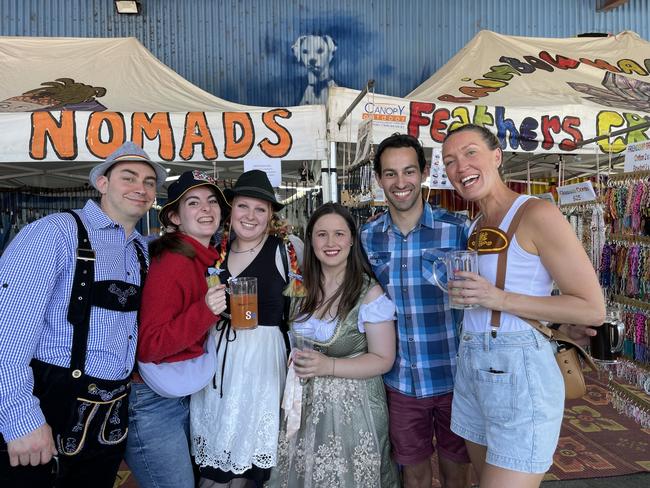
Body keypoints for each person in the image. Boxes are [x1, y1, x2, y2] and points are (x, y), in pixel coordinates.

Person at [441, 124, 605, 488]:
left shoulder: (537, 214)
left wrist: (496, 298)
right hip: (472, 364)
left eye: (470, 153)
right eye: (449, 161)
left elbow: (592, 308)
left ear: (497, 156)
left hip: (519, 369)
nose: (460, 166)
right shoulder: (476, 225)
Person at [0, 141, 166, 487]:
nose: (141, 188)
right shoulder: (54, 233)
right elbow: (7, 336)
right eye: (128, 177)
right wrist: (20, 418)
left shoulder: (141, 252)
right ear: (102, 183)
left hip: (110, 418)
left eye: (149, 181)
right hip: (48, 410)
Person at [360, 133, 472, 488]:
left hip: (456, 377)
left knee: (457, 471)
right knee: (414, 475)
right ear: (379, 179)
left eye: (408, 171)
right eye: (390, 174)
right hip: (401, 381)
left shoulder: (457, 231)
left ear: (424, 172)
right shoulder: (367, 237)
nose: (400, 182)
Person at [268, 202, 400, 487]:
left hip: (354, 411)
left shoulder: (369, 292)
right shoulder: (301, 289)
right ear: (310, 240)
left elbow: (383, 358)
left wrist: (328, 365)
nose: (330, 242)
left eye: (339, 234)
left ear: (352, 240)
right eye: (321, 234)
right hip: (305, 407)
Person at [190, 170, 302, 488]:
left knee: (248, 466)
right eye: (243, 206)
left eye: (260, 209)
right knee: (215, 462)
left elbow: (303, 309)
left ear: (270, 216)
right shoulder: (214, 252)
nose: (250, 216)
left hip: (264, 365)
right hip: (218, 364)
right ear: (231, 210)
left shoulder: (286, 251)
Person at [124, 170, 229, 488]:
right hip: (153, 402)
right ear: (175, 216)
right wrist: (206, 311)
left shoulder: (203, 258)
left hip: (178, 393)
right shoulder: (174, 261)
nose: (206, 209)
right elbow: (149, 345)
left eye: (212, 201)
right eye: (193, 203)